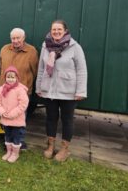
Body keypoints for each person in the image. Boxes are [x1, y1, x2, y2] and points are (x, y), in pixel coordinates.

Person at [36, 20, 87, 162]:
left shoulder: (74, 47)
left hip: (68, 91)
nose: (56, 32)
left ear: (65, 31)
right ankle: (50, 146)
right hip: (49, 90)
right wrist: (39, 87)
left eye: (59, 29)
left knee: (67, 120)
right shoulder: (46, 46)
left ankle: (64, 149)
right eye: (54, 30)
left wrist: (80, 91)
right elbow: (41, 67)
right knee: (51, 118)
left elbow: (81, 70)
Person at [0, 27, 38, 149]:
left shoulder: (31, 51)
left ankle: (19, 141)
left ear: (23, 38)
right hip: (5, 90)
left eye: (18, 38)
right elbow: (1, 66)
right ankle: (7, 140)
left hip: (21, 90)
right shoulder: (4, 49)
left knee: (19, 117)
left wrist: (26, 84)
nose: (15, 40)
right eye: (13, 38)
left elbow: (34, 71)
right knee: (6, 115)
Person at [0, 66, 29, 163]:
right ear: (5, 78)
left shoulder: (20, 90)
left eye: (13, 77)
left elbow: (23, 104)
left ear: (17, 78)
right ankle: (9, 151)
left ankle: (15, 153)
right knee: (8, 135)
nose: (10, 79)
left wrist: (13, 114)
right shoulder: (1, 89)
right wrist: (2, 112)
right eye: (8, 77)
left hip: (16, 119)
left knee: (16, 136)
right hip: (6, 118)